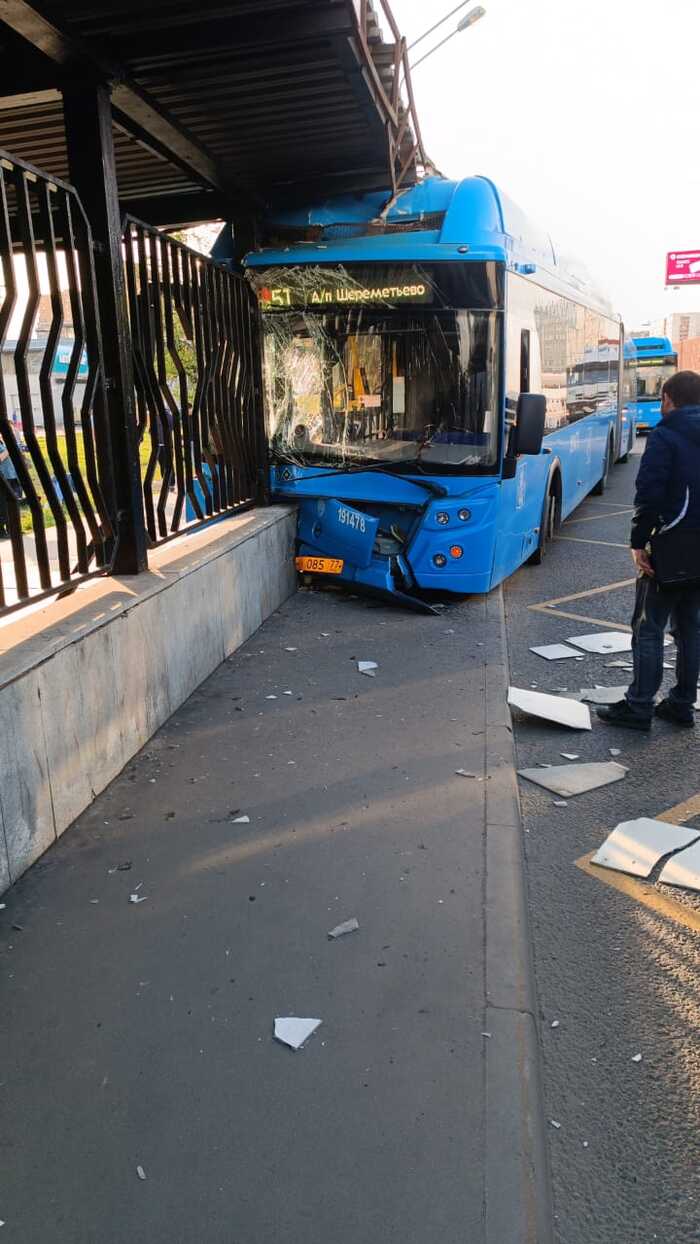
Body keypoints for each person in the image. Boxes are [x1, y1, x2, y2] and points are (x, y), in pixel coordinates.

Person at [598, 369, 700, 731]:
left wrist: (639, 543)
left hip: (671, 544)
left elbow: (650, 492)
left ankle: (639, 705)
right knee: (690, 628)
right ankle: (682, 704)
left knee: (649, 626)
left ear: (669, 400)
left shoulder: (667, 434)